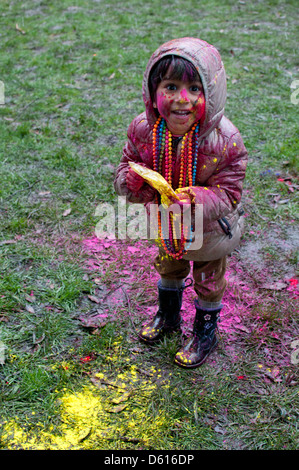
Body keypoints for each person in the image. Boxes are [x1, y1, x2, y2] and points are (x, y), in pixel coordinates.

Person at [114, 37, 248, 368]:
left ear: (211, 94)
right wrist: (130, 183)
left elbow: (230, 194)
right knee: (169, 266)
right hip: (166, 223)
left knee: (208, 279)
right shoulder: (143, 129)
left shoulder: (226, 140)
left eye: (194, 89)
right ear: (153, 90)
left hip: (209, 231)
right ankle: (168, 315)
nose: (181, 100)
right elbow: (125, 168)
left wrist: (198, 198)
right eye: (171, 86)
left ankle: (205, 331)